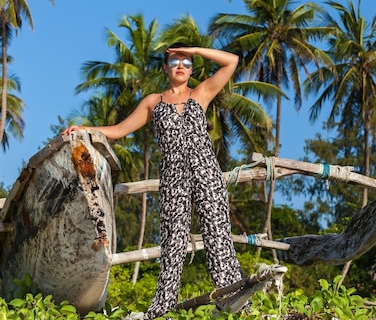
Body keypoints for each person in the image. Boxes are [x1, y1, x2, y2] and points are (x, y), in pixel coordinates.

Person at [62, 43, 244, 319]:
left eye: (186, 62)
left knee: (217, 236)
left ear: (193, 68)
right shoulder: (153, 102)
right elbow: (120, 129)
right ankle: (162, 308)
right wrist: (86, 128)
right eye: (174, 62)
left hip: (206, 170)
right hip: (173, 175)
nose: (181, 66)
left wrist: (193, 48)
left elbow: (231, 61)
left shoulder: (201, 93)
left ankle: (233, 300)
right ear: (164, 67)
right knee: (173, 241)